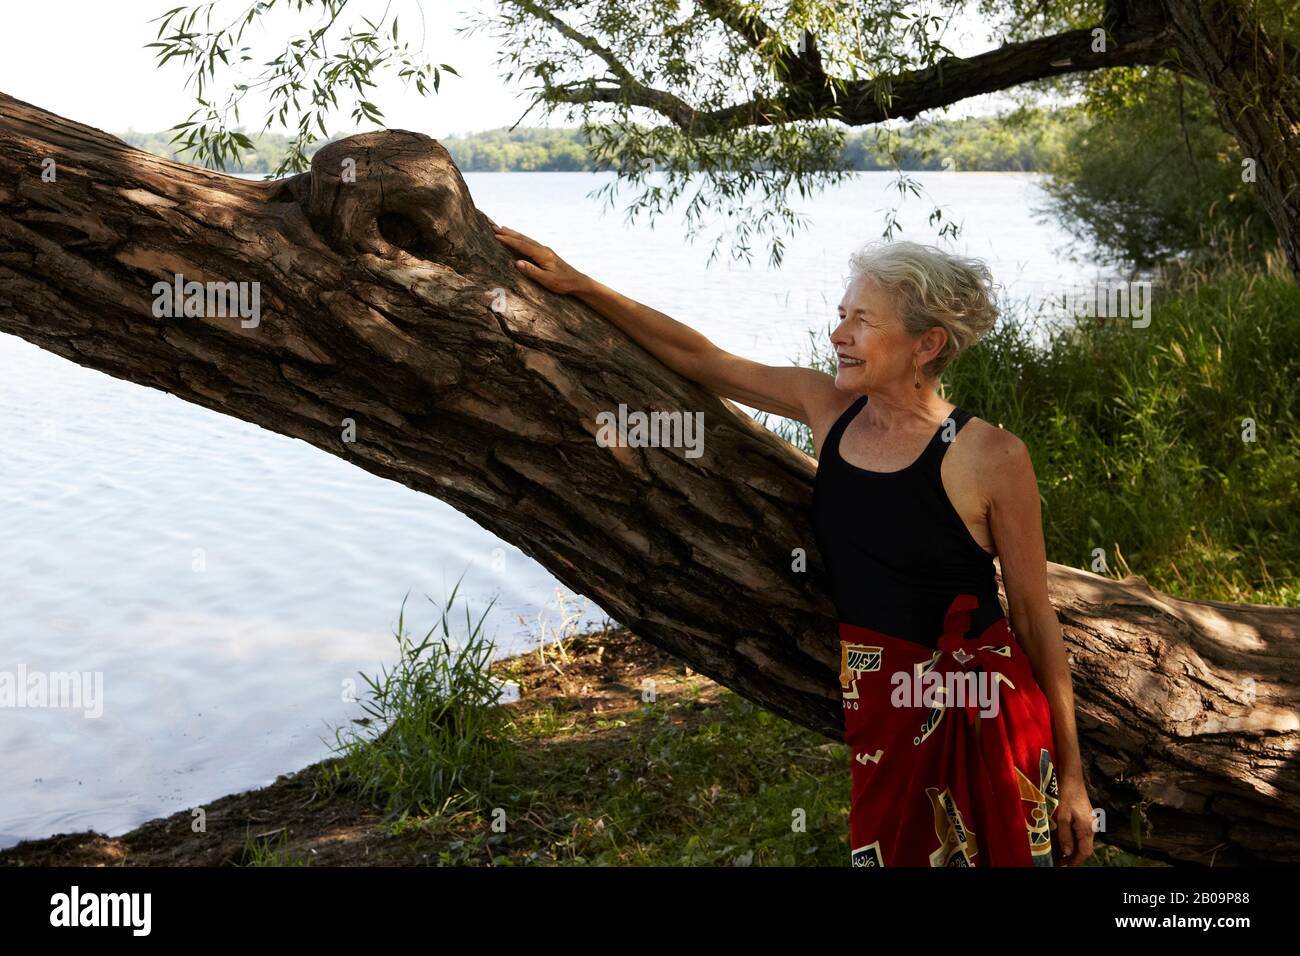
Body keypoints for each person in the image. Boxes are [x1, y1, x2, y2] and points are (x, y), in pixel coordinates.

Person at [492, 224, 1096, 867]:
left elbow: (1033, 616)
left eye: (863, 321)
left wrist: (1075, 781)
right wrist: (579, 284)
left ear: (929, 344)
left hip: (990, 715)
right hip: (882, 711)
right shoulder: (827, 406)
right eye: (842, 316)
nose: (839, 335)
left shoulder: (994, 456)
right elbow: (702, 359)